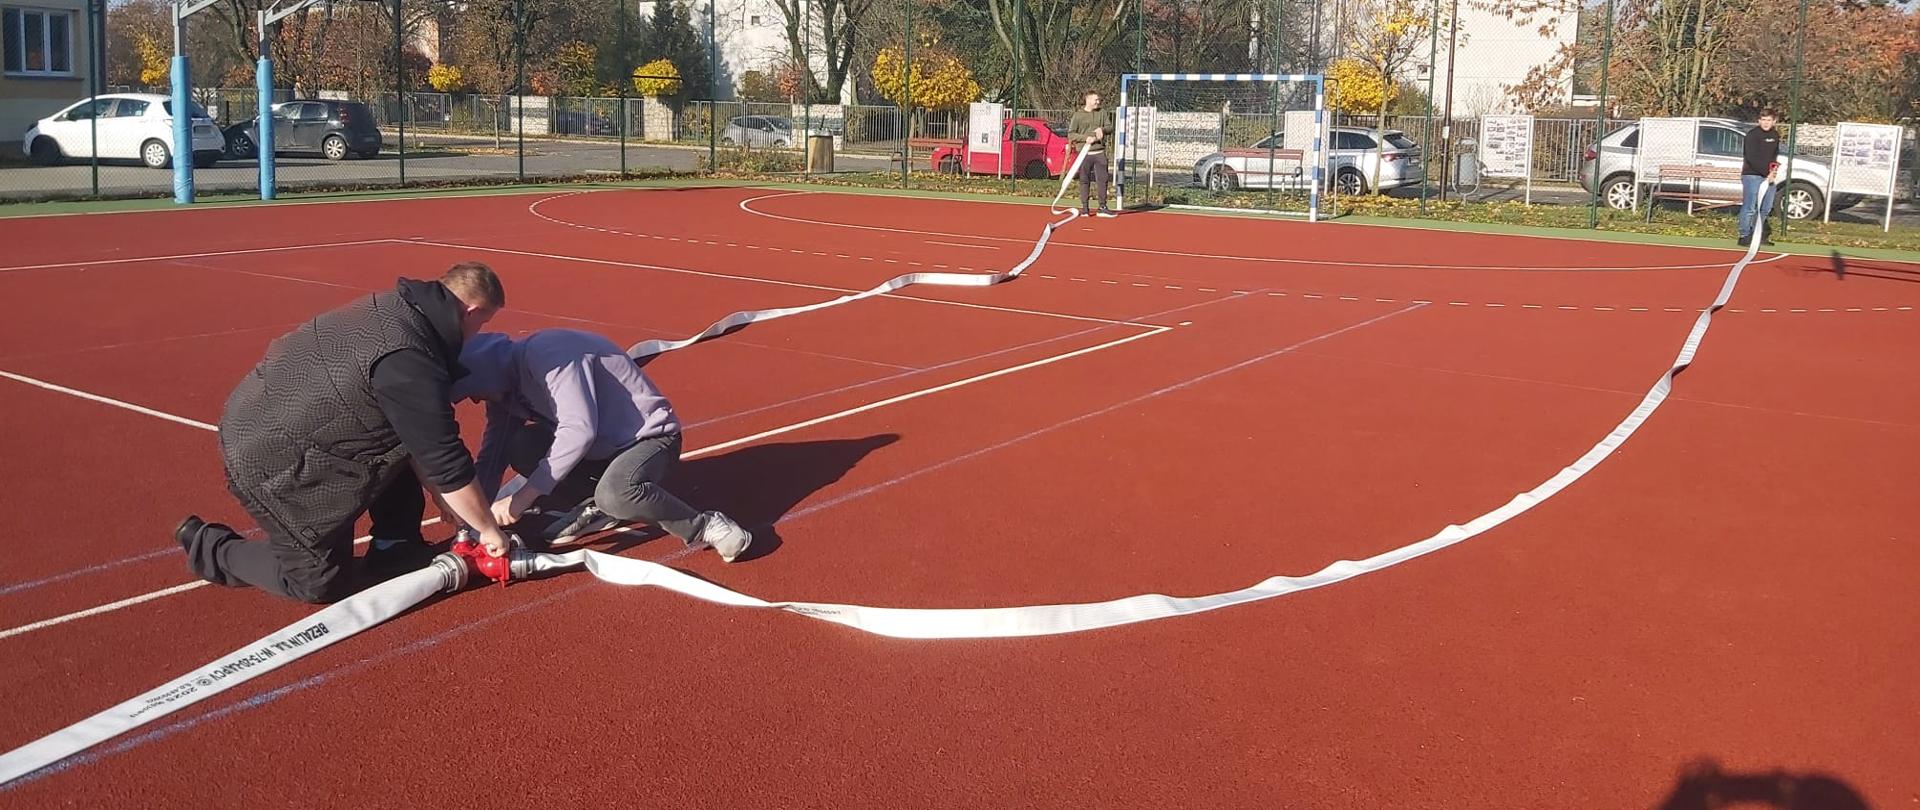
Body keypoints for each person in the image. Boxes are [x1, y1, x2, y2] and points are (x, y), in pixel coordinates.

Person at [175, 263, 516, 604]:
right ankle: (212, 548)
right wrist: (487, 530)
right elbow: (444, 458)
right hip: (269, 453)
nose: (477, 333)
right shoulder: (409, 359)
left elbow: (420, 444)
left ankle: (394, 546)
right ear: (470, 311)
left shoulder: (395, 308)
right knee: (319, 582)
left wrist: (441, 495)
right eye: (482, 323)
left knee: (399, 438)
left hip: (270, 412)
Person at [450, 328, 753, 561]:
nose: (475, 399)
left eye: (472, 390)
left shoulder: (549, 355)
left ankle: (703, 525)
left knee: (617, 493)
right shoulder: (503, 391)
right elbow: (493, 455)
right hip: (599, 449)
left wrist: (522, 497)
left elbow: (579, 429)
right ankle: (598, 505)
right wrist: (475, 521)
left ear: (484, 372)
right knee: (521, 446)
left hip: (648, 439)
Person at [1067, 90, 1118, 218]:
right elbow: (1071, 134)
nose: (1098, 102)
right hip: (1084, 153)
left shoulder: (1102, 113)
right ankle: (1085, 208)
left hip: (1099, 152)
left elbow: (1110, 127)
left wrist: (1102, 129)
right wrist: (1085, 138)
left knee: (1103, 179)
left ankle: (1102, 207)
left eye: (1098, 100)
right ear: (1088, 99)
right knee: (1084, 180)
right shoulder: (1078, 115)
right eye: (1095, 100)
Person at [1739, 109, 1782, 247]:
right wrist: (1766, 173)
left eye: (1769, 120)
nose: (1766, 123)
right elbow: (1751, 158)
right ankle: (1744, 235)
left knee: (1766, 208)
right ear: (1759, 121)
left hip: (1768, 177)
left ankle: (1758, 234)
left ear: (1774, 121)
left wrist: (1773, 170)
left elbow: (1773, 156)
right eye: (1763, 120)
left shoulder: (1775, 135)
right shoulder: (1752, 135)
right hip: (1752, 175)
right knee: (1750, 207)